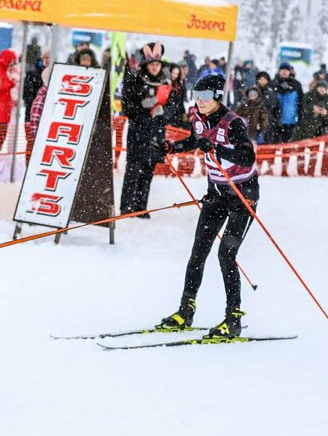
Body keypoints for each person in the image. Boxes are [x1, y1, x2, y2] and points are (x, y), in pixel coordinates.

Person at [152, 74, 259, 339]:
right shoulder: (198, 119)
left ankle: (233, 318)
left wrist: (218, 149)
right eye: (197, 95)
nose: (200, 101)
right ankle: (185, 311)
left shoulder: (233, 123)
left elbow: (248, 156)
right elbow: (195, 140)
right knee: (198, 252)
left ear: (218, 96)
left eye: (206, 96)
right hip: (216, 193)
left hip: (242, 195)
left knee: (226, 255)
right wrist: (171, 147)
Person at [120, 42, 172, 218]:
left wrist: (163, 112)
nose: (155, 67)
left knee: (149, 170)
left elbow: (175, 109)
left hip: (156, 133)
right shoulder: (135, 80)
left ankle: (141, 206)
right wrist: (143, 107)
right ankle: (126, 206)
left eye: (157, 64)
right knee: (134, 169)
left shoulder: (166, 83)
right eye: (152, 64)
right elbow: (127, 108)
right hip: (138, 133)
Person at [291, 80, 328, 176]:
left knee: (314, 152)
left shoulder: (327, 99)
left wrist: (325, 113)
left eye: (324, 88)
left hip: (317, 130)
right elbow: (302, 107)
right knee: (301, 151)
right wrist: (312, 109)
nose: (322, 90)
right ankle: (300, 171)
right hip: (304, 128)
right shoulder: (308, 95)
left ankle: (311, 171)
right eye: (320, 87)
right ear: (316, 87)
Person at [273, 62, 303, 176]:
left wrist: (300, 118)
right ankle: (270, 167)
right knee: (272, 146)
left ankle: (284, 168)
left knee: (287, 147)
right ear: (279, 71)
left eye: (286, 69)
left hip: (290, 121)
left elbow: (301, 104)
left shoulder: (296, 85)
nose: (284, 71)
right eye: (282, 69)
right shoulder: (274, 83)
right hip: (275, 122)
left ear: (290, 71)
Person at [23, 50, 50, 163]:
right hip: (32, 116)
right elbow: (27, 95)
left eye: (50, 57)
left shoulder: (56, 74)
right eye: (46, 57)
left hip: (48, 117)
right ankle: (29, 167)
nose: (48, 60)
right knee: (31, 144)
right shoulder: (33, 73)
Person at [255, 71, 280, 144]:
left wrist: (276, 121)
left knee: (268, 145)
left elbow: (276, 108)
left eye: (264, 79)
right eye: (260, 79)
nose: (262, 81)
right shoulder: (253, 91)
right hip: (255, 124)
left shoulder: (271, 93)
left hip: (269, 123)